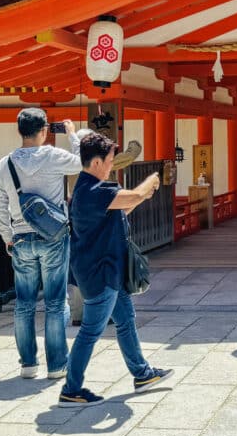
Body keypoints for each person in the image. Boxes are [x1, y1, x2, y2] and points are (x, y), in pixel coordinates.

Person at [59, 132, 171, 406]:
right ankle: (71, 389)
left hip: (107, 269)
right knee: (90, 331)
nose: (112, 165)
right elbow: (135, 194)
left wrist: (140, 196)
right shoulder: (94, 190)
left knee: (125, 320)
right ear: (96, 162)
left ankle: (142, 373)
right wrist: (152, 179)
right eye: (110, 160)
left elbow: (124, 207)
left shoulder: (88, 190)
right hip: (101, 273)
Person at [0, 109, 82, 381]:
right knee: (55, 302)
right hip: (53, 236)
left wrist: (7, 235)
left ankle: (28, 363)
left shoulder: (4, 164)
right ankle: (56, 365)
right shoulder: (53, 156)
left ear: (20, 130)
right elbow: (82, 163)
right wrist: (73, 135)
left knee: (24, 303)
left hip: (20, 237)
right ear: (44, 130)